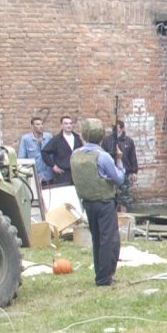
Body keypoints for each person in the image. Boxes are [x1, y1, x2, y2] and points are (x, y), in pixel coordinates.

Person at [69, 119, 125, 286]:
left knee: (97, 239)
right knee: (110, 239)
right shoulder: (103, 156)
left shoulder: (75, 155)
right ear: (101, 136)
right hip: (104, 201)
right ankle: (104, 277)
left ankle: (100, 273)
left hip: (87, 202)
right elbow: (119, 178)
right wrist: (120, 161)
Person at [101, 119, 140, 209]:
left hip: (124, 173)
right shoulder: (107, 141)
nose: (114, 130)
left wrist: (134, 172)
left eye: (116, 128)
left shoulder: (128, 141)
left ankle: (124, 217)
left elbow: (132, 156)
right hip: (110, 174)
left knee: (124, 199)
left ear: (122, 129)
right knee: (111, 198)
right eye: (113, 128)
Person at [40, 115, 79, 187]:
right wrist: (53, 166)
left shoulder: (77, 138)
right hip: (62, 174)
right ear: (61, 125)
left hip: (76, 173)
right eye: (66, 123)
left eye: (70, 123)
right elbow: (44, 152)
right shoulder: (57, 139)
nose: (69, 125)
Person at [17, 117, 50, 188]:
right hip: (34, 177)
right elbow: (21, 159)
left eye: (41, 124)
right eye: (38, 124)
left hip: (48, 176)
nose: (41, 126)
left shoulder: (48, 137)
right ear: (32, 126)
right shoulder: (26, 139)